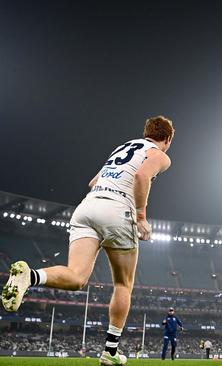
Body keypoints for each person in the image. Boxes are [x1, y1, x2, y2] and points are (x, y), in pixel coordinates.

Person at [1, 116, 174, 365]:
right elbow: (141, 176)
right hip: (118, 210)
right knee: (123, 284)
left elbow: (93, 182)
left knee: (77, 276)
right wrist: (142, 216)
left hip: (87, 206)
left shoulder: (123, 147)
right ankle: (110, 352)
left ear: (145, 132)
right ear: (168, 138)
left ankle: (31, 276)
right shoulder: (159, 154)